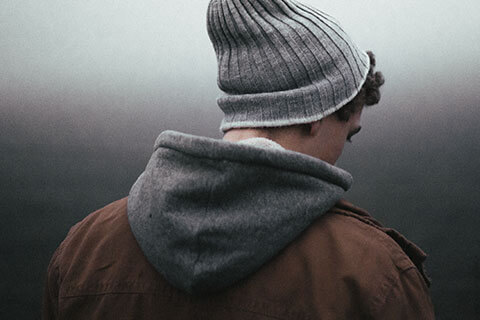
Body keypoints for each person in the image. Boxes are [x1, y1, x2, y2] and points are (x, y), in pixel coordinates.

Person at [43, 0, 435, 319]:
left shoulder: (83, 250)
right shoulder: (374, 275)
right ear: (316, 113)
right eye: (348, 135)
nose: (340, 157)